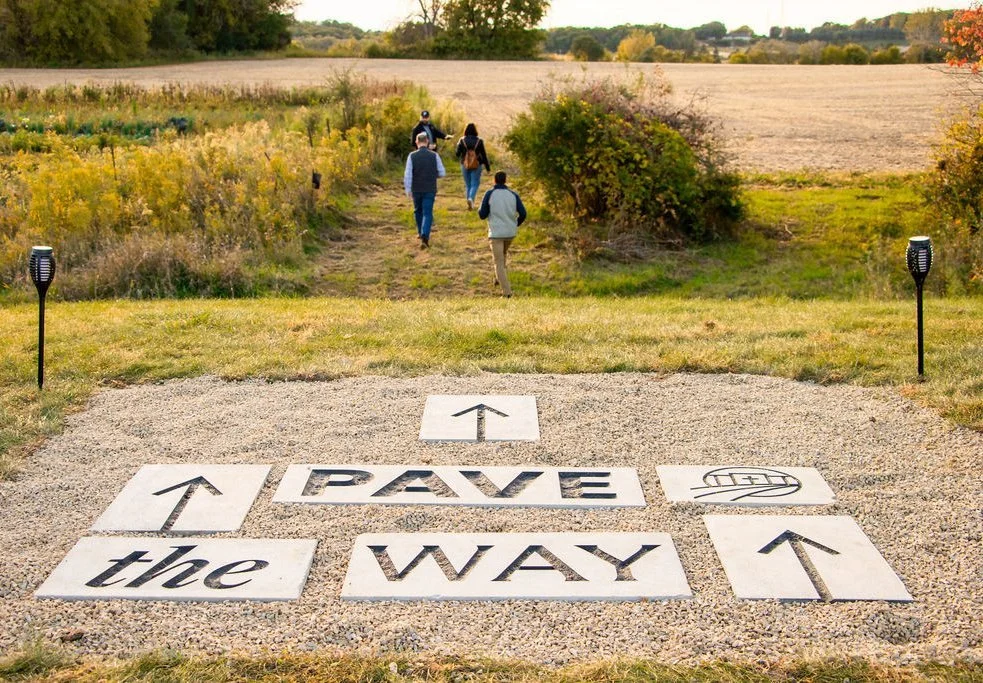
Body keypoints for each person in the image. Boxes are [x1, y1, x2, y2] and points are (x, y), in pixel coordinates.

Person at [477, 171, 526, 297]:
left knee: (498, 262)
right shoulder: (513, 194)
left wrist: (480, 210)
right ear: (505, 180)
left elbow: (482, 215)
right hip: (510, 233)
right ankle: (498, 278)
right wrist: (515, 224)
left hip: (496, 233)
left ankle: (507, 292)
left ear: (494, 180)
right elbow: (523, 214)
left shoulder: (489, 194)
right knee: (503, 255)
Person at [404, 131, 446, 248]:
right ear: (427, 142)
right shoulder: (434, 155)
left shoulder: (412, 156)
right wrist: (434, 175)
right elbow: (442, 173)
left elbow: (408, 175)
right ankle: (425, 235)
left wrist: (408, 189)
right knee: (428, 212)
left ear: (417, 142)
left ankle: (420, 232)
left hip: (416, 188)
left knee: (418, 211)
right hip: (430, 188)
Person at [454, 122, 491, 210]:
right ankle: (471, 199)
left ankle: (469, 201)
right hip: (477, 164)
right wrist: (488, 167)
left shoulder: (462, 140)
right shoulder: (479, 141)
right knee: (475, 183)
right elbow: (484, 155)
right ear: (475, 130)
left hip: (464, 164)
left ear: (466, 130)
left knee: (468, 184)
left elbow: (457, 154)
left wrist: (459, 148)